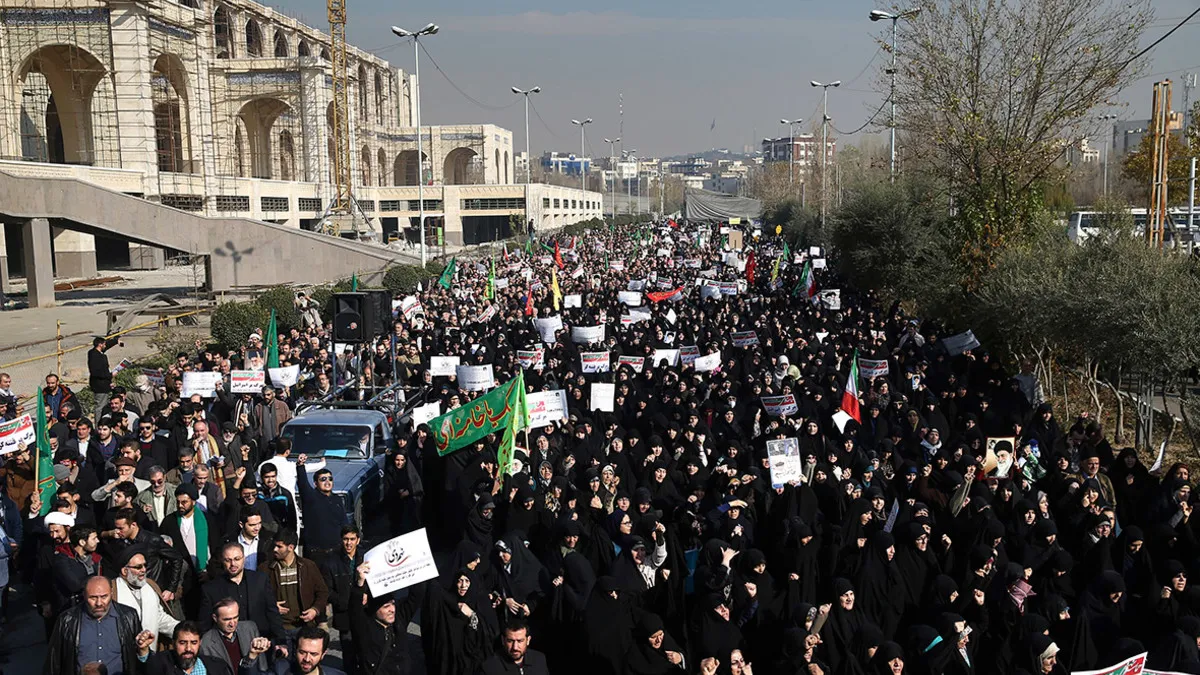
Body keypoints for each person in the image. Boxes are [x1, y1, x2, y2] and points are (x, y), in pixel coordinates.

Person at [44, 574, 149, 675]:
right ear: (84, 595)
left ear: (111, 593)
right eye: (93, 598)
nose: (99, 603)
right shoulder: (67, 620)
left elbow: (138, 660)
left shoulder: (129, 616)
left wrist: (143, 650)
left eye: (104, 597)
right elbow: (53, 662)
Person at [347, 561, 423, 675]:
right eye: (386, 606)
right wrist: (359, 583)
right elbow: (354, 609)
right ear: (375, 610)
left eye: (393, 604)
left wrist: (412, 568)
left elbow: (416, 596)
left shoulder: (399, 619)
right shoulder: (364, 627)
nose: (392, 609)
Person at [199, 542, 285, 642]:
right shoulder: (211, 588)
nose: (233, 564)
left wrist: (281, 641)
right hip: (228, 644)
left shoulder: (260, 580)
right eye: (228, 560)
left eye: (237, 559)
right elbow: (205, 623)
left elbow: (272, 613)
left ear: (244, 559)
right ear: (222, 561)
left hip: (261, 640)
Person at [266, 528, 329, 638]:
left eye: (279, 547)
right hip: (278, 629)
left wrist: (315, 610)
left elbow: (322, 592)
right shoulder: (266, 568)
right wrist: (271, 606)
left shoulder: (308, 566)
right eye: (274, 546)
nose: (275, 549)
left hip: (304, 628)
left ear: (291, 547)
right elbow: (258, 596)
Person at [112, 546, 180, 648]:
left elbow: (159, 617)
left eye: (145, 565)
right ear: (125, 571)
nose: (144, 570)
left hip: (150, 650)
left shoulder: (150, 586)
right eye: (138, 567)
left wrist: (181, 629)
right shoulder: (113, 591)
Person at [320, 525, 364, 674]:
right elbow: (327, 590)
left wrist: (366, 595)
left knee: (365, 649)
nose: (349, 543)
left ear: (358, 540)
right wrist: (343, 602)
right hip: (345, 614)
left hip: (364, 612)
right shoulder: (331, 562)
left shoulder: (365, 558)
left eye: (352, 539)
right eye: (346, 539)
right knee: (349, 652)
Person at [295, 455, 346, 566]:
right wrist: (300, 466)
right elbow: (303, 484)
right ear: (315, 483)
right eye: (323, 479)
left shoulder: (337, 499)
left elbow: (344, 523)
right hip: (315, 553)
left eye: (330, 479)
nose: (327, 482)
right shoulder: (311, 497)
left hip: (336, 552)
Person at [198, 598, 270, 672]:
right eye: (227, 619)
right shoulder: (206, 643)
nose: (232, 624)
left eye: (235, 617)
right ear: (215, 618)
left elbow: (262, 666)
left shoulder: (250, 628)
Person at [143, 620, 242, 675]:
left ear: (200, 643)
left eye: (193, 643)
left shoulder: (218, 667)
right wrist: (143, 650)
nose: (188, 648)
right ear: (173, 643)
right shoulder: (161, 665)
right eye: (182, 643)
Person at [480, 621, 551, 675]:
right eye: (510, 641)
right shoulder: (489, 667)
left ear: (528, 640)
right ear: (503, 640)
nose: (515, 647)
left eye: (520, 641)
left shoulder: (539, 659)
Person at [89, 335, 122, 420]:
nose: (105, 345)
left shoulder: (96, 353)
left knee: (104, 405)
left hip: (104, 384)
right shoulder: (95, 355)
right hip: (100, 386)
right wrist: (110, 375)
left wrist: (115, 341)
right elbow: (96, 372)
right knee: (101, 407)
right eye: (104, 344)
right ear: (100, 344)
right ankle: (99, 424)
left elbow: (106, 347)